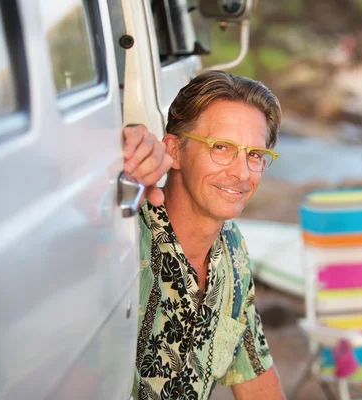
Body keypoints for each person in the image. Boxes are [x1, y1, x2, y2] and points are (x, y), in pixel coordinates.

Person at [123, 70, 286, 400]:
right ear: (174, 150)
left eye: (254, 155)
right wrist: (116, 156)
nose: (241, 173)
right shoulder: (126, 237)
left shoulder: (232, 247)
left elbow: (255, 376)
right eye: (222, 147)